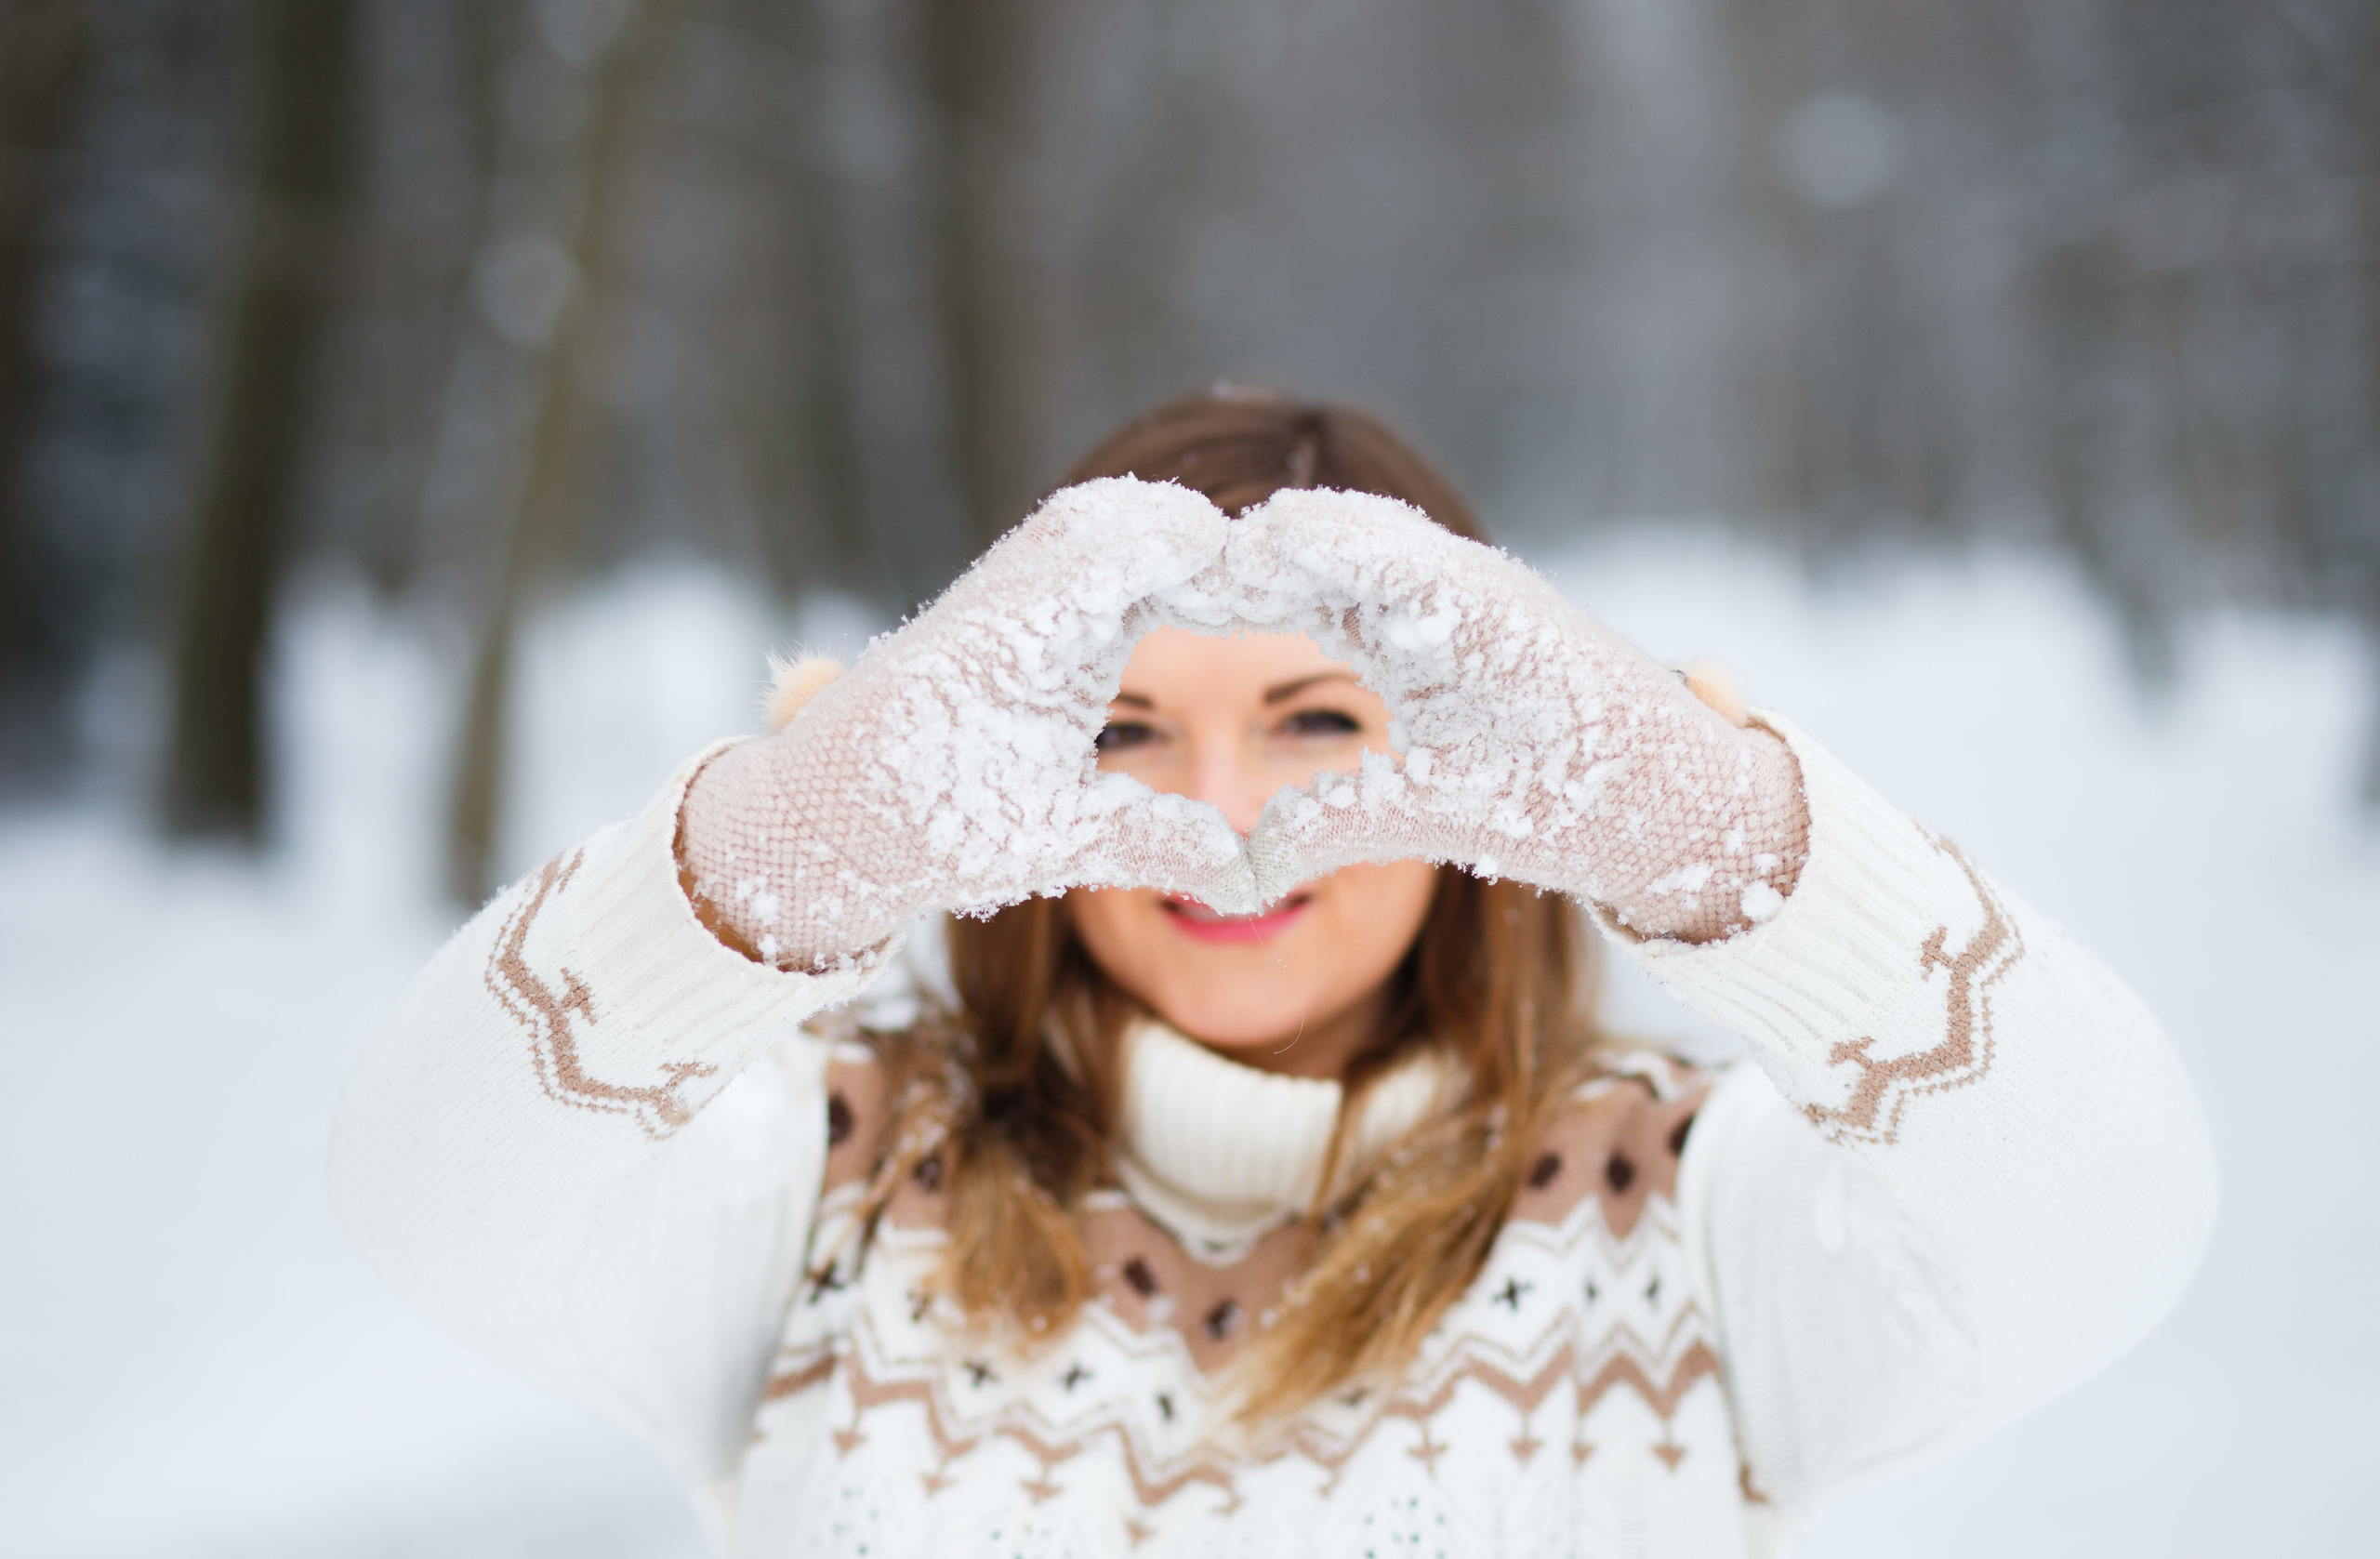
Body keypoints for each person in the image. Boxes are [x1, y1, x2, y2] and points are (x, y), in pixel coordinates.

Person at [330, 390, 2216, 1557]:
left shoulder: (1693, 1203)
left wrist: (1736, 844)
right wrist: (748, 875)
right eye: (1126, 731)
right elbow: (432, 1188)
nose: (1222, 810)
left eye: (1317, 721)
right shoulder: (825, 1165)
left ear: (1498, 771)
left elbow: (2104, 1211)